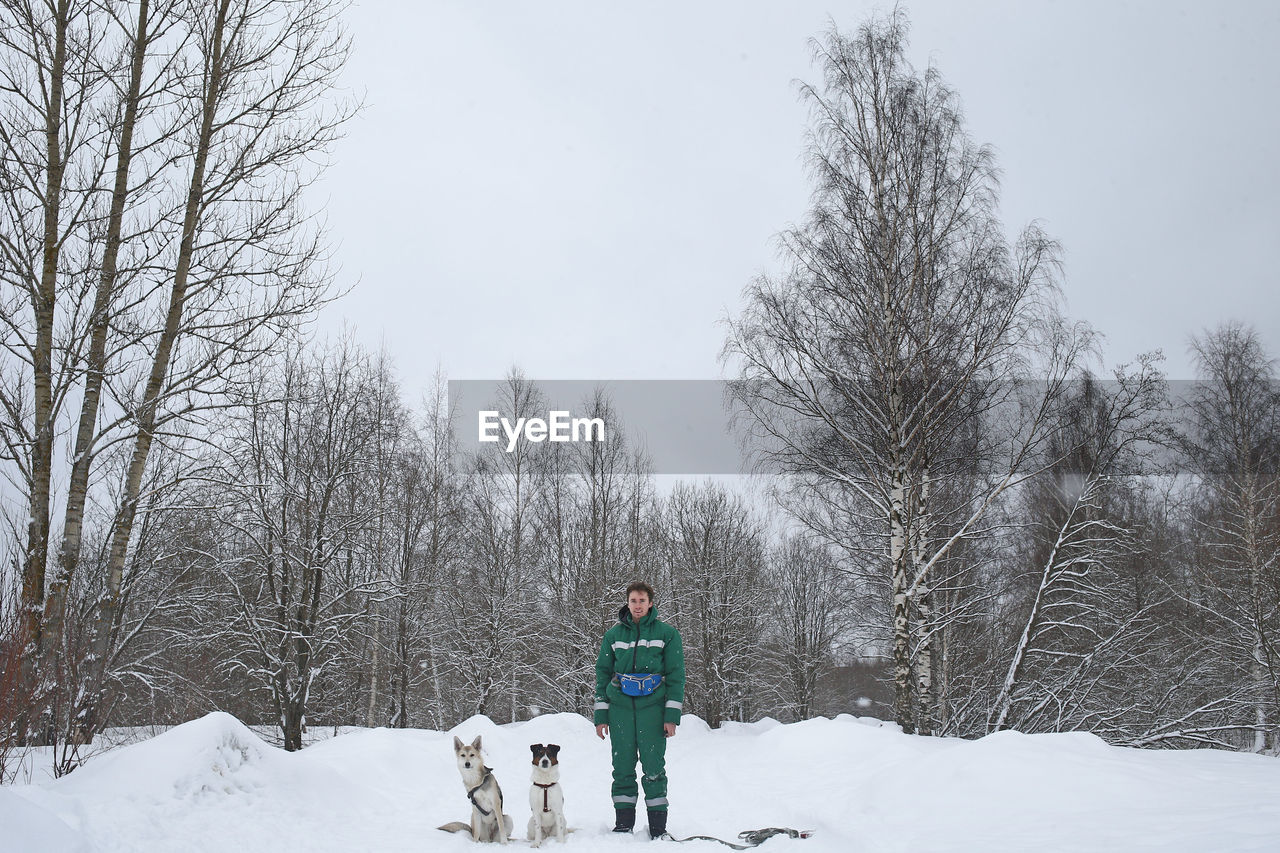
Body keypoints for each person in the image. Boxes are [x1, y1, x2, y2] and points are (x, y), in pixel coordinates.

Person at [594, 581, 685, 840]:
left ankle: (658, 828)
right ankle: (623, 824)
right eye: (633, 600)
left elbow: (676, 676)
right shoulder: (613, 635)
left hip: (653, 709)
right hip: (620, 708)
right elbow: (602, 674)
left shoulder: (667, 634)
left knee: (654, 767)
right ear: (627, 602)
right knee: (622, 766)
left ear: (651, 603)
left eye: (642, 601)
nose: (637, 605)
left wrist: (671, 717)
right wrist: (601, 715)